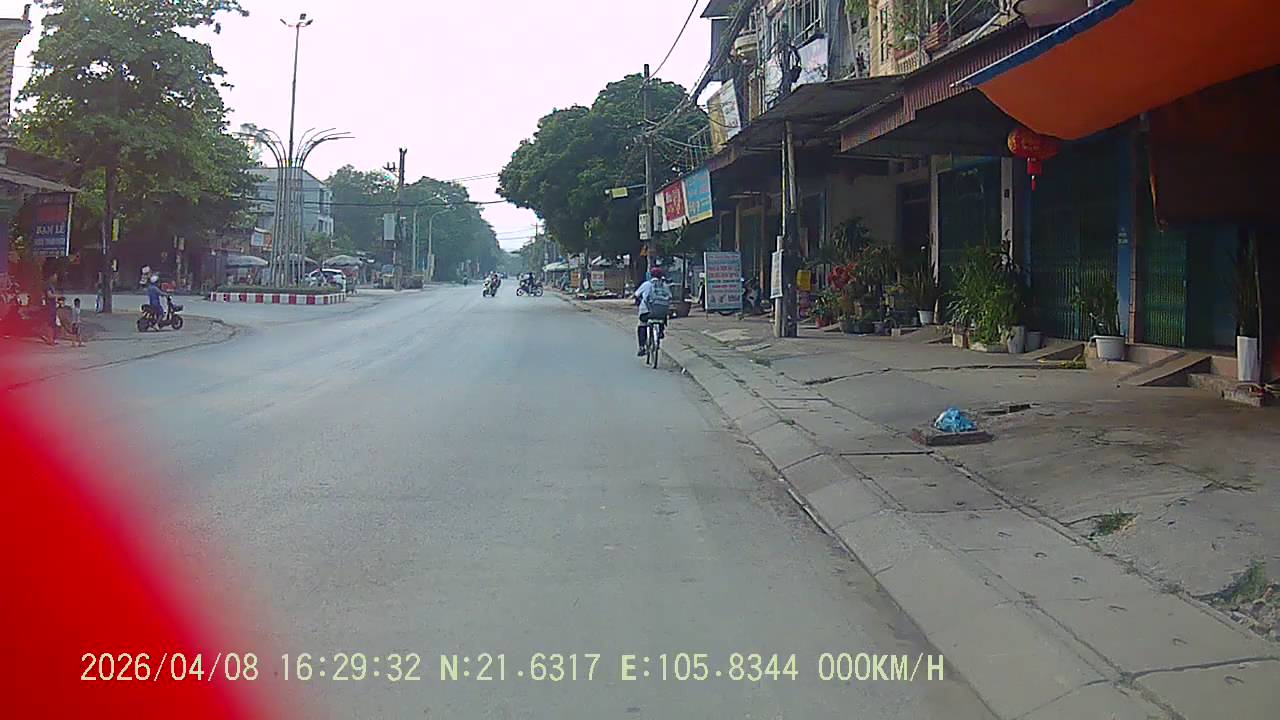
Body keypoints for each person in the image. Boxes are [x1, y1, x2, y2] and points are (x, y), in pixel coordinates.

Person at [632, 266, 671, 356]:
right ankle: (660, 331)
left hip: (646, 312)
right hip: (661, 313)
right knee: (661, 316)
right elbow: (669, 296)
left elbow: (637, 294)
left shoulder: (646, 284)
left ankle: (642, 347)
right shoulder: (664, 285)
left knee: (642, 325)